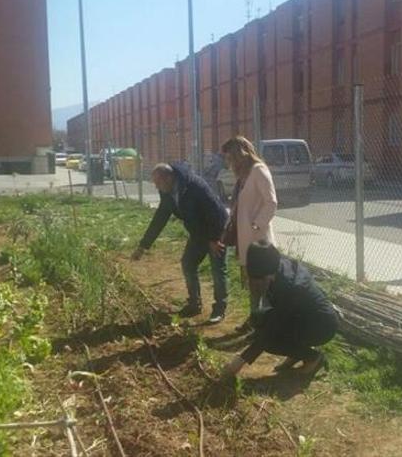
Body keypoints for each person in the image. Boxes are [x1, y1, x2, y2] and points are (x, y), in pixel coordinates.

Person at [220, 241, 338, 378]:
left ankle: (313, 358)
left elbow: (271, 330)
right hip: (302, 317)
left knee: (271, 342)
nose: (254, 283)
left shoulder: (289, 288)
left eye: (258, 280)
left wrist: (239, 361)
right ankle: (298, 354)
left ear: (268, 276)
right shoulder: (277, 265)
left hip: (321, 327)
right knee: (261, 323)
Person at [131, 163, 229, 323]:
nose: (156, 187)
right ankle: (194, 304)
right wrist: (143, 245)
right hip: (198, 232)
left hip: (216, 230)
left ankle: (219, 309)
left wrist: (214, 239)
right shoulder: (167, 191)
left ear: (169, 178)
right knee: (188, 263)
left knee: (218, 270)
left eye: (158, 183)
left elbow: (214, 211)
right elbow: (160, 218)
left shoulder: (194, 186)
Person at [220, 136, 278, 331]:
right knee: (253, 283)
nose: (229, 163)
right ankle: (256, 321)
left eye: (230, 158)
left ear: (240, 155)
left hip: (259, 240)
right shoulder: (243, 176)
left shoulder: (259, 171)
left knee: (262, 284)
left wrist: (256, 225)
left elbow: (271, 202)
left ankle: (263, 325)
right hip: (246, 238)